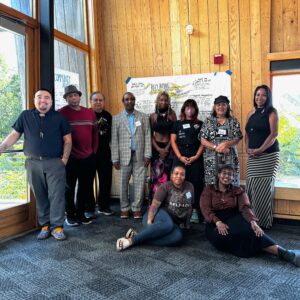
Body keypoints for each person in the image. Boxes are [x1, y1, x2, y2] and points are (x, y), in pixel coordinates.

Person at [0, 89, 72, 240]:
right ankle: (45, 225)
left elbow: (68, 140)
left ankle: (57, 226)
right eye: (39, 97)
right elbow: (14, 134)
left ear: (51, 102)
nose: (43, 100)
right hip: (33, 163)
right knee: (40, 196)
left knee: (57, 195)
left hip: (54, 163)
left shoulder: (59, 117)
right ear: (34, 100)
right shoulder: (25, 116)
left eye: (47, 98)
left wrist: (64, 159)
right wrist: (2, 147)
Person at [200, 165, 300, 267]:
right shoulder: (209, 189)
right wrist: (218, 222)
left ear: (233, 177)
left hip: (234, 218)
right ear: (218, 174)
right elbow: (205, 208)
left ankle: (286, 254)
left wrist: (253, 222)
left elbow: (245, 207)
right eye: (224, 173)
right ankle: (281, 252)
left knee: (252, 231)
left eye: (230, 174)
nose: (226, 176)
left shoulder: (238, 190)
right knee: (224, 237)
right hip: (214, 222)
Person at [116, 165, 193, 251]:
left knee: (177, 238)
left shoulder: (189, 187)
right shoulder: (165, 187)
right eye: (176, 173)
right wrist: (149, 221)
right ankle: (131, 241)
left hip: (173, 222)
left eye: (182, 174)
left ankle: (138, 236)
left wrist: (186, 223)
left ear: (185, 176)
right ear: (171, 175)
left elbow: (189, 206)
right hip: (157, 215)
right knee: (168, 224)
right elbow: (154, 205)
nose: (179, 176)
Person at [59, 85, 98, 226]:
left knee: (85, 187)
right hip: (70, 158)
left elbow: (95, 134)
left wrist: (93, 151)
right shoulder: (61, 113)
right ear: (66, 98)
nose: (73, 98)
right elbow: (58, 136)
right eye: (70, 96)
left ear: (79, 96)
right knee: (69, 188)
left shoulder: (90, 113)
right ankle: (70, 216)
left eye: (75, 95)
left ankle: (81, 214)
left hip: (88, 157)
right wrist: (63, 155)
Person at [111, 92, 151, 219]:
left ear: (134, 101)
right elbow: (114, 139)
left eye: (132, 99)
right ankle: (124, 208)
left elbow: (148, 136)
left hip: (140, 155)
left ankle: (137, 208)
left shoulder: (143, 117)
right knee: (123, 183)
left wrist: (148, 155)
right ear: (123, 101)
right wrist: (115, 158)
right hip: (123, 156)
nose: (129, 101)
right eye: (127, 99)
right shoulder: (116, 118)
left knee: (139, 183)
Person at [245, 85, 280, 229]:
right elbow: (247, 133)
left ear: (268, 97)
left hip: (268, 156)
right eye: (257, 94)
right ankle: (252, 220)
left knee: (263, 189)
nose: (260, 98)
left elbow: (273, 135)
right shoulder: (250, 113)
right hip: (253, 156)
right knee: (251, 185)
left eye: (263, 95)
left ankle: (263, 223)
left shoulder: (272, 113)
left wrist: (260, 149)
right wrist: (247, 147)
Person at [170, 99, 204, 223]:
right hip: (180, 157)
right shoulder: (177, 123)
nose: (189, 110)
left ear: (195, 110)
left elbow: (203, 142)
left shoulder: (200, 124)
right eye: (187, 108)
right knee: (178, 183)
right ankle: (176, 209)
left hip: (195, 157)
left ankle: (194, 210)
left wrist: (196, 156)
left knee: (195, 183)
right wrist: (179, 157)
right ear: (184, 110)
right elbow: (173, 141)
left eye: (192, 108)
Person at [200, 95, 242, 186]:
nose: (221, 107)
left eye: (223, 104)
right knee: (212, 185)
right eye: (218, 105)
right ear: (214, 107)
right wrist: (216, 147)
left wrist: (226, 144)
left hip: (229, 158)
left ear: (227, 107)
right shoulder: (208, 121)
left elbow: (237, 138)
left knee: (230, 184)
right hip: (212, 160)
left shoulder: (233, 121)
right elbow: (203, 140)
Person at [89, 91, 114, 216]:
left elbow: (112, 137)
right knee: (88, 182)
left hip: (105, 153)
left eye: (100, 100)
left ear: (103, 102)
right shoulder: (86, 114)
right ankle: (89, 208)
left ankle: (103, 206)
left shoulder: (108, 116)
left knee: (105, 181)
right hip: (89, 154)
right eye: (95, 100)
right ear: (91, 102)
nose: (98, 102)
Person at [149, 91, 177, 199]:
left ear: (168, 102)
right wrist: (158, 149)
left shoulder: (172, 115)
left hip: (169, 148)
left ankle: (166, 201)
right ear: (157, 101)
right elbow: (150, 135)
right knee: (156, 175)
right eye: (161, 100)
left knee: (166, 174)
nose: (163, 102)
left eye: (166, 100)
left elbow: (174, 134)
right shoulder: (152, 116)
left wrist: (166, 149)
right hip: (156, 148)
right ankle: (155, 201)